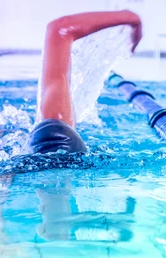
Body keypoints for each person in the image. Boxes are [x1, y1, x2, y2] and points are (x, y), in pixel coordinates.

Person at [28, 10, 143, 155]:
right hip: (62, 144)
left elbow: (59, 29)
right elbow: (59, 29)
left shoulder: (54, 118)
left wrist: (131, 17)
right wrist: (131, 17)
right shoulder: (55, 117)